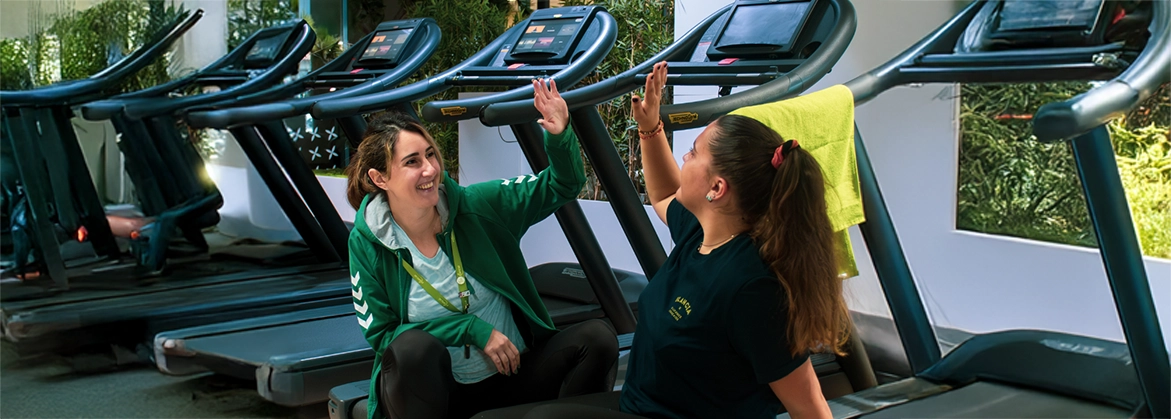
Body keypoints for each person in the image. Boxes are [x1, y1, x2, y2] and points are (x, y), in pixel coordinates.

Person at [513, 62, 850, 419]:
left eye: (693, 152)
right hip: (640, 406)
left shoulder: (752, 289)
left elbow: (810, 405)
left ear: (717, 189)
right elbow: (663, 194)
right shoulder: (702, 233)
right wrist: (650, 127)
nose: (684, 157)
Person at [346, 79, 619, 419]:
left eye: (430, 154)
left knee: (597, 338)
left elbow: (561, 185)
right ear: (380, 178)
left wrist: (558, 134)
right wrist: (473, 329)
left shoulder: (478, 206)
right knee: (411, 349)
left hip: (513, 376)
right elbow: (383, 335)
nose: (430, 169)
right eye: (412, 162)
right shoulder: (367, 242)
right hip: (440, 397)